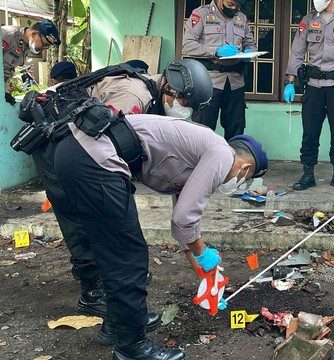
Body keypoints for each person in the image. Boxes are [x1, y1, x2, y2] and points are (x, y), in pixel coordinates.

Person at [22, 59, 213, 348]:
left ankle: (121, 315)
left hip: (73, 145)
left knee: (114, 237)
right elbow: (104, 143)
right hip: (59, 147)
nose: (185, 108)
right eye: (185, 100)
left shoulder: (151, 92)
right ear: (170, 88)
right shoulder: (133, 96)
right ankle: (95, 294)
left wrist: (198, 259)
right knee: (91, 227)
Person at [51, 105, 268, 359]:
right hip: (94, 160)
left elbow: (184, 225)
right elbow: (184, 218)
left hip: (74, 154)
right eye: (248, 177)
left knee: (111, 249)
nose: (241, 183)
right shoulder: (223, 154)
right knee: (128, 256)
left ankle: (115, 324)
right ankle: (132, 348)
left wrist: (204, 273)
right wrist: (204, 254)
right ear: (245, 166)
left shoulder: (201, 151)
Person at [283, 0, 334, 191]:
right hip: (313, 85)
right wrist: (290, 82)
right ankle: (308, 173)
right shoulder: (308, 20)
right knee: (310, 131)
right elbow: (296, 52)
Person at [182, 0, 257, 140]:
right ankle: (203, 161)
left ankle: (233, 160)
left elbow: (251, 44)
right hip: (208, 82)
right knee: (203, 128)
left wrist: (249, 53)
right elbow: (188, 45)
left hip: (235, 82)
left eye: (237, 6)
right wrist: (216, 51)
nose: (234, 8)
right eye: (230, 4)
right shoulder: (201, 14)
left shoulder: (241, 18)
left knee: (236, 128)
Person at [2, 19, 60, 104]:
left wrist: (5, 92)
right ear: (34, 34)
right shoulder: (7, 36)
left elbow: (7, 69)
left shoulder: (26, 45)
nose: (44, 49)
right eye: (44, 45)